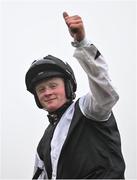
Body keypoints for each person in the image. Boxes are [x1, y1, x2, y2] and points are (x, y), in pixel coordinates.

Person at [25, 12, 125, 179]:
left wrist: (82, 43)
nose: (47, 92)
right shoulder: (44, 143)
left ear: (69, 87)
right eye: (41, 89)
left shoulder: (88, 109)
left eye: (53, 86)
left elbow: (106, 92)